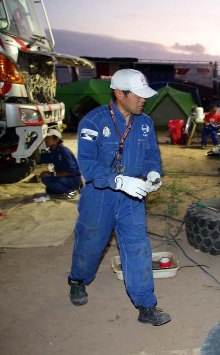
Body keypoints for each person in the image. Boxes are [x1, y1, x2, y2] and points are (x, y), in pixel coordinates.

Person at [67, 69, 171, 326]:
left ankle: (146, 305)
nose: (143, 100)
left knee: (138, 247)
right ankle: (78, 280)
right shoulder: (93, 122)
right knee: (91, 244)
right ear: (119, 93)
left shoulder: (144, 123)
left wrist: (154, 173)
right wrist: (118, 180)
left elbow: (151, 156)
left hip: (132, 198)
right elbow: (88, 166)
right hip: (100, 197)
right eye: (138, 95)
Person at [38, 128, 82, 197]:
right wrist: (35, 146)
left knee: (47, 179)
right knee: (49, 190)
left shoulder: (63, 151)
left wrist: (52, 174)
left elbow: (71, 171)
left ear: (56, 140)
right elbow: (39, 159)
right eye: (46, 138)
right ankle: (67, 190)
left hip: (73, 179)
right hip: (66, 177)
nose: (45, 140)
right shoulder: (54, 151)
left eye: (48, 138)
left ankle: (70, 193)